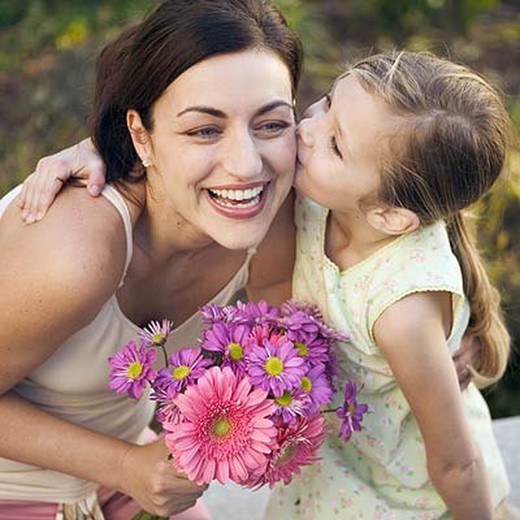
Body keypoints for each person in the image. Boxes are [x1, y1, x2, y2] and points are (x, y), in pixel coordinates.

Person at [0, 0, 303, 518]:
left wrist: (445, 330)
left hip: (118, 470)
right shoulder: (75, 252)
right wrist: (126, 466)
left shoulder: (273, 206)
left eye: (271, 124)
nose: (247, 164)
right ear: (141, 134)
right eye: (204, 130)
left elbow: (401, 155)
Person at [263, 50, 516, 519]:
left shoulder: (402, 308)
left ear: (389, 215)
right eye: (325, 101)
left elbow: (456, 462)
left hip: (404, 493)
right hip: (336, 467)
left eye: (336, 143)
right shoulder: (320, 197)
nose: (307, 127)